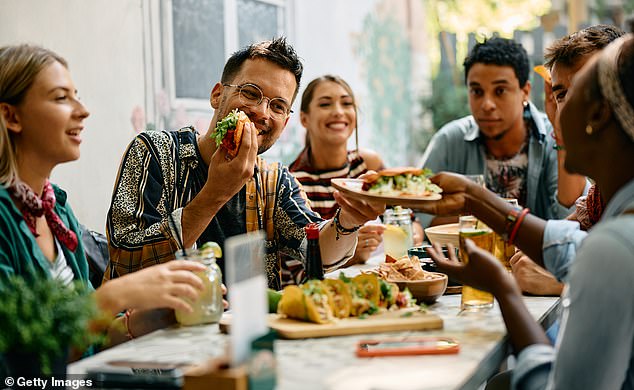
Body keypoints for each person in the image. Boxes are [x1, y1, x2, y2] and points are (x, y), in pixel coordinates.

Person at [423, 34, 634, 388]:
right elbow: (570, 248)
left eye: (568, 93)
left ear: (598, 112)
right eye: (555, 93)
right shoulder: (613, 212)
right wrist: (475, 197)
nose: (552, 110)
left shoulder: (614, 246)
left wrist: (503, 290)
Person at [105, 38, 384, 290]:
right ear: (217, 95)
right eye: (251, 93)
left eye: (277, 106)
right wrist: (215, 193)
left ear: (285, 122)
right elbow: (127, 262)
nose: (261, 112)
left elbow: (316, 252)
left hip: (247, 332)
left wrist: (348, 221)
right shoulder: (155, 151)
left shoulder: (274, 181)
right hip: (154, 334)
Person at [0, 44, 210, 348]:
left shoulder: (56, 210)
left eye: (77, 95)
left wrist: (152, 315)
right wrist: (117, 294)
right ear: (11, 116)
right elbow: (17, 358)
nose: (83, 111)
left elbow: (84, 343)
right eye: (61, 98)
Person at [511, 24, 624, 296]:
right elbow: (560, 234)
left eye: (588, 87)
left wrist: (566, 282)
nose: (570, 109)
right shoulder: (602, 192)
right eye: (561, 95)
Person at [419, 37, 579, 228]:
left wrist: (563, 136)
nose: (487, 105)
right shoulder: (449, 140)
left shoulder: (554, 137)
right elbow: (420, 216)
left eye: (500, 91)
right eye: (477, 91)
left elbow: (572, 219)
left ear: (525, 91)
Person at [288, 75, 396, 266]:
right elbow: (294, 271)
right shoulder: (293, 183)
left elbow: (408, 220)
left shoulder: (368, 164)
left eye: (346, 103)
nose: (338, 112)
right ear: (304, 119)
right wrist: (350, 252)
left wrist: (404, 232)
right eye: (325, 104)